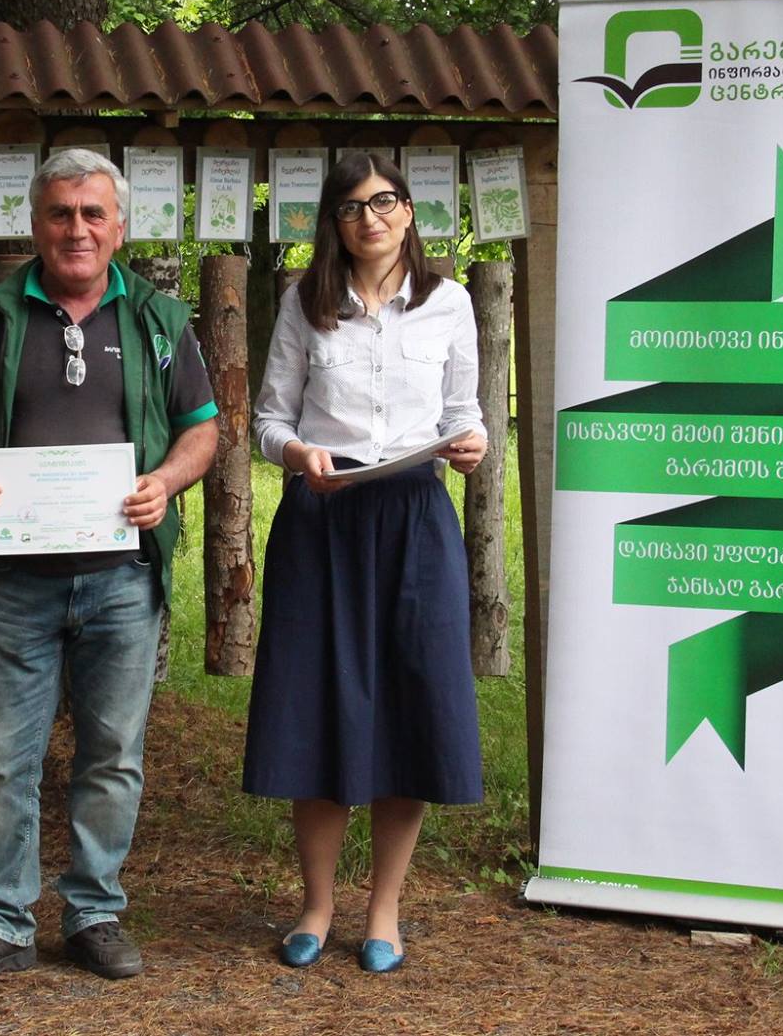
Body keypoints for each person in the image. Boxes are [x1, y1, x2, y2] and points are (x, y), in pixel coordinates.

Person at [0, 149, 220, 987]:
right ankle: (1, 921)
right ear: (36, 224)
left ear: (119, 226)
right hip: (18, 581)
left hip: (123, 579)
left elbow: (203, 427)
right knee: (2, 758)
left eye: (93, 213)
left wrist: (166, 481)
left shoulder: (160, 319)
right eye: (61, 213)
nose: (77, 228)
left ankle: (93, 911)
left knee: (113, 753)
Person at [241, 152, 488, 975]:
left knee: (408, 711)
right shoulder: (304, 302)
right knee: (316, 707)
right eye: (351, 207)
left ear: (409, 211)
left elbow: (464, 413)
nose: (369, 218)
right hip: (324, 519)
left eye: (383, 202)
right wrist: (298, 452)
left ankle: (384, 909)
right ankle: (316, 905)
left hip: (415, 518)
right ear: (334, 223)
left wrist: (472, 443)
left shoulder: (450, 302)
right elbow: (269, 420)